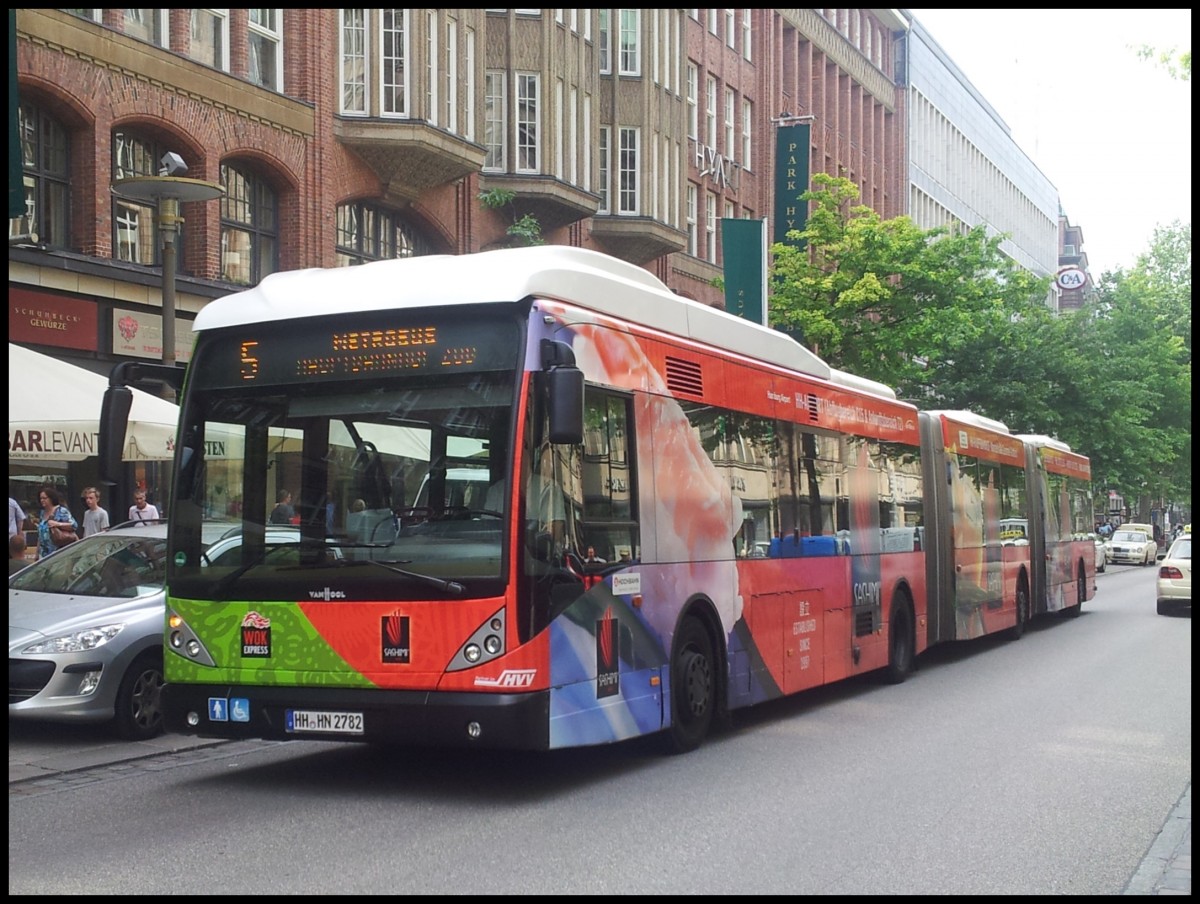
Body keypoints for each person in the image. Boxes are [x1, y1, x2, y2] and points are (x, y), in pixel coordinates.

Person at [36, 485, 78, 559]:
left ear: (51, 498)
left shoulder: (61, 511)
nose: (42, 500)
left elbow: (74, 525)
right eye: (41, 498)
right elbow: (40, 535)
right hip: (43, 553)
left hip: (58, 551)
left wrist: (57, 524)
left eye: (44, 498)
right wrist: (37, 552)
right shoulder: (42, 513)